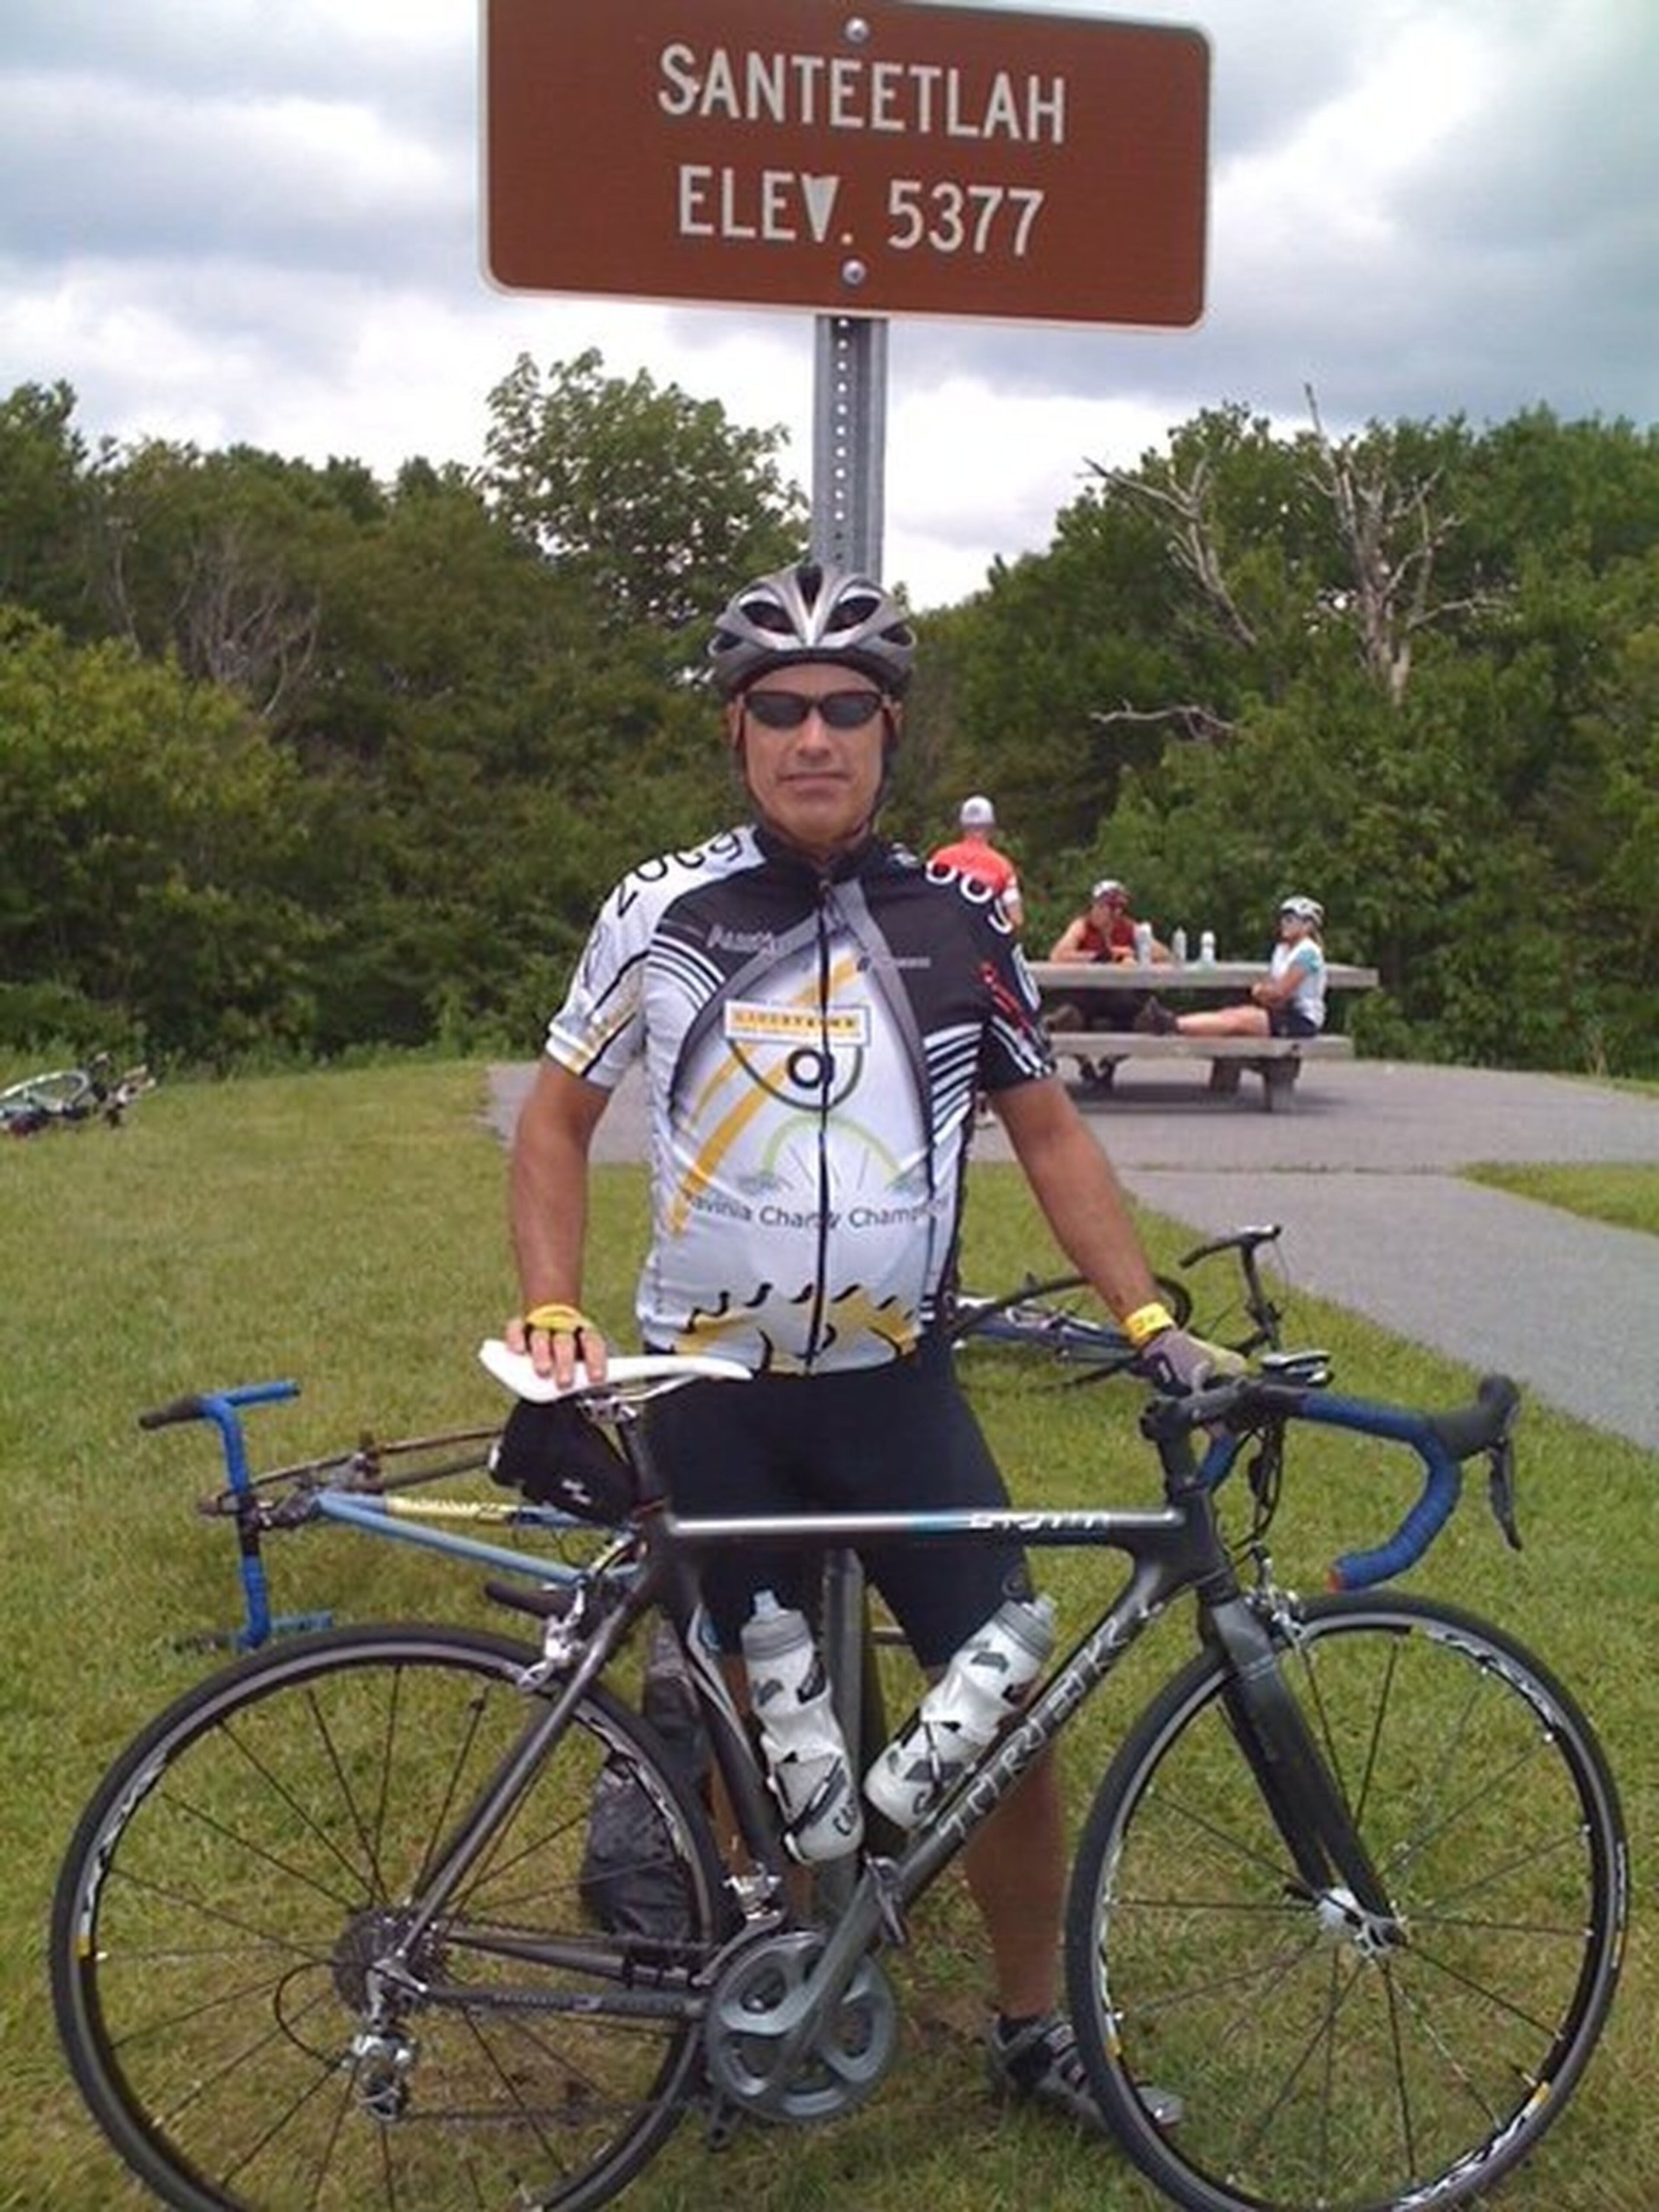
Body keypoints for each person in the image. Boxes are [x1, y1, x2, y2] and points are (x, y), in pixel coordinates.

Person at [504, 557, 1217, 2136]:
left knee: (1008, 1714)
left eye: (844, 707)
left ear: (888, 732)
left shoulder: (958, 921)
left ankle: (1035, 2028)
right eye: (779, 709)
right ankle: (728, 1993)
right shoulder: (662, 906)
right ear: (736, 732)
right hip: (712, 1394)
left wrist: (1148, 1313)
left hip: (898, 1392)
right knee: (736, 1732)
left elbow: (1047, 1129)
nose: (811, 735)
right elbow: (555, 1121)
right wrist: (553, 1298)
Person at [1137, 895, 1327, 1038]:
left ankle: (1170, 1024)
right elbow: (1272, 993)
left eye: (1291, 919)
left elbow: (1280, 993)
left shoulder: (1308, 953)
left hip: (1302, 1021)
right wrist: (1266, 993)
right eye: (1284, 919)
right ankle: (1170, 1023)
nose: (1284, 924)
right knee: (1230, 1014)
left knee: (1237, 1021)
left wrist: (1263, 991)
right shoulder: (1282, 950)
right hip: (1282, 1013)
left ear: (1308, 926)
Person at [1046, 878, 1170, 1052]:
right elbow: (1057, 956)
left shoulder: (1128, 926)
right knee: (1070, 1012)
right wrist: (1098, 956)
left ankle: (1113, 1058)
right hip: (1088, 992)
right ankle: (1063, 1038)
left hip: (1120, 995)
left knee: (1139, 1008)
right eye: (1108, 907)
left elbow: (1163, 955)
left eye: (1118, 908)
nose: (1114, 913)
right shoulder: (1082, 926)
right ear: (1095, 905)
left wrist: (1135, 954)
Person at [929, 793, 1024, 929]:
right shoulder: (1002, 866)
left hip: (943, 939)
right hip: (983, 943)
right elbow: (1016, 918)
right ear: (991, 827)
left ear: (962, 826)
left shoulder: (940, 859)